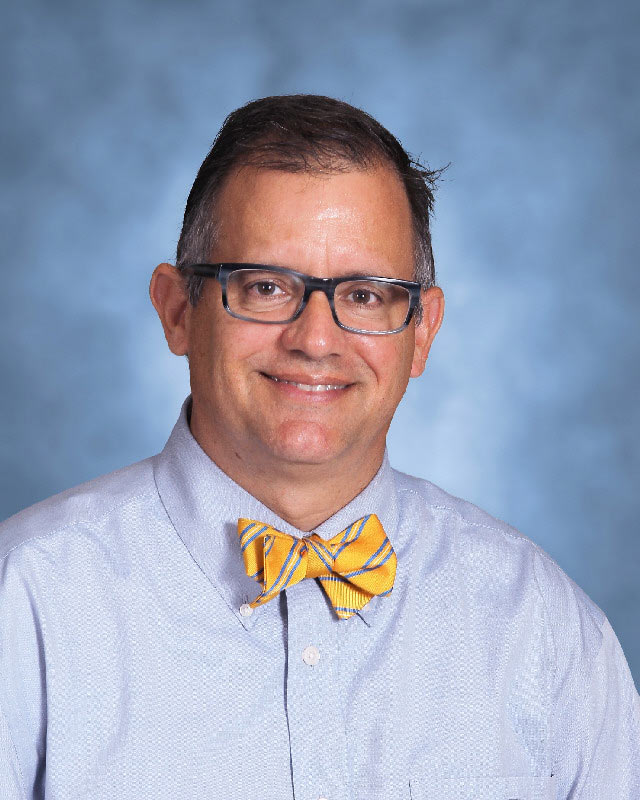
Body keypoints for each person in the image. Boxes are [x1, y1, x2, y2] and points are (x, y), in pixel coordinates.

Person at [0, 94, 638, 800]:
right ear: (178, 311)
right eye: (266, 286)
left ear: (421, 331)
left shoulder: (542, 626)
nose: (315, 339)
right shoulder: (25, 602)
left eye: (364, 295)